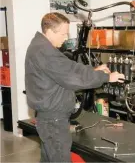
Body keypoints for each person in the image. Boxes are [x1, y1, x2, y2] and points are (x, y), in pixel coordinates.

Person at [25, 12, 125, 162]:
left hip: (49, 118)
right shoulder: (44, 52)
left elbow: (67, 69)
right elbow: (71, 76)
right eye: (63, 34)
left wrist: (94, 70)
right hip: (54, 121)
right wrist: (107, 77)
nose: (66, 38)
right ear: (50, 31)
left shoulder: (40, 47)